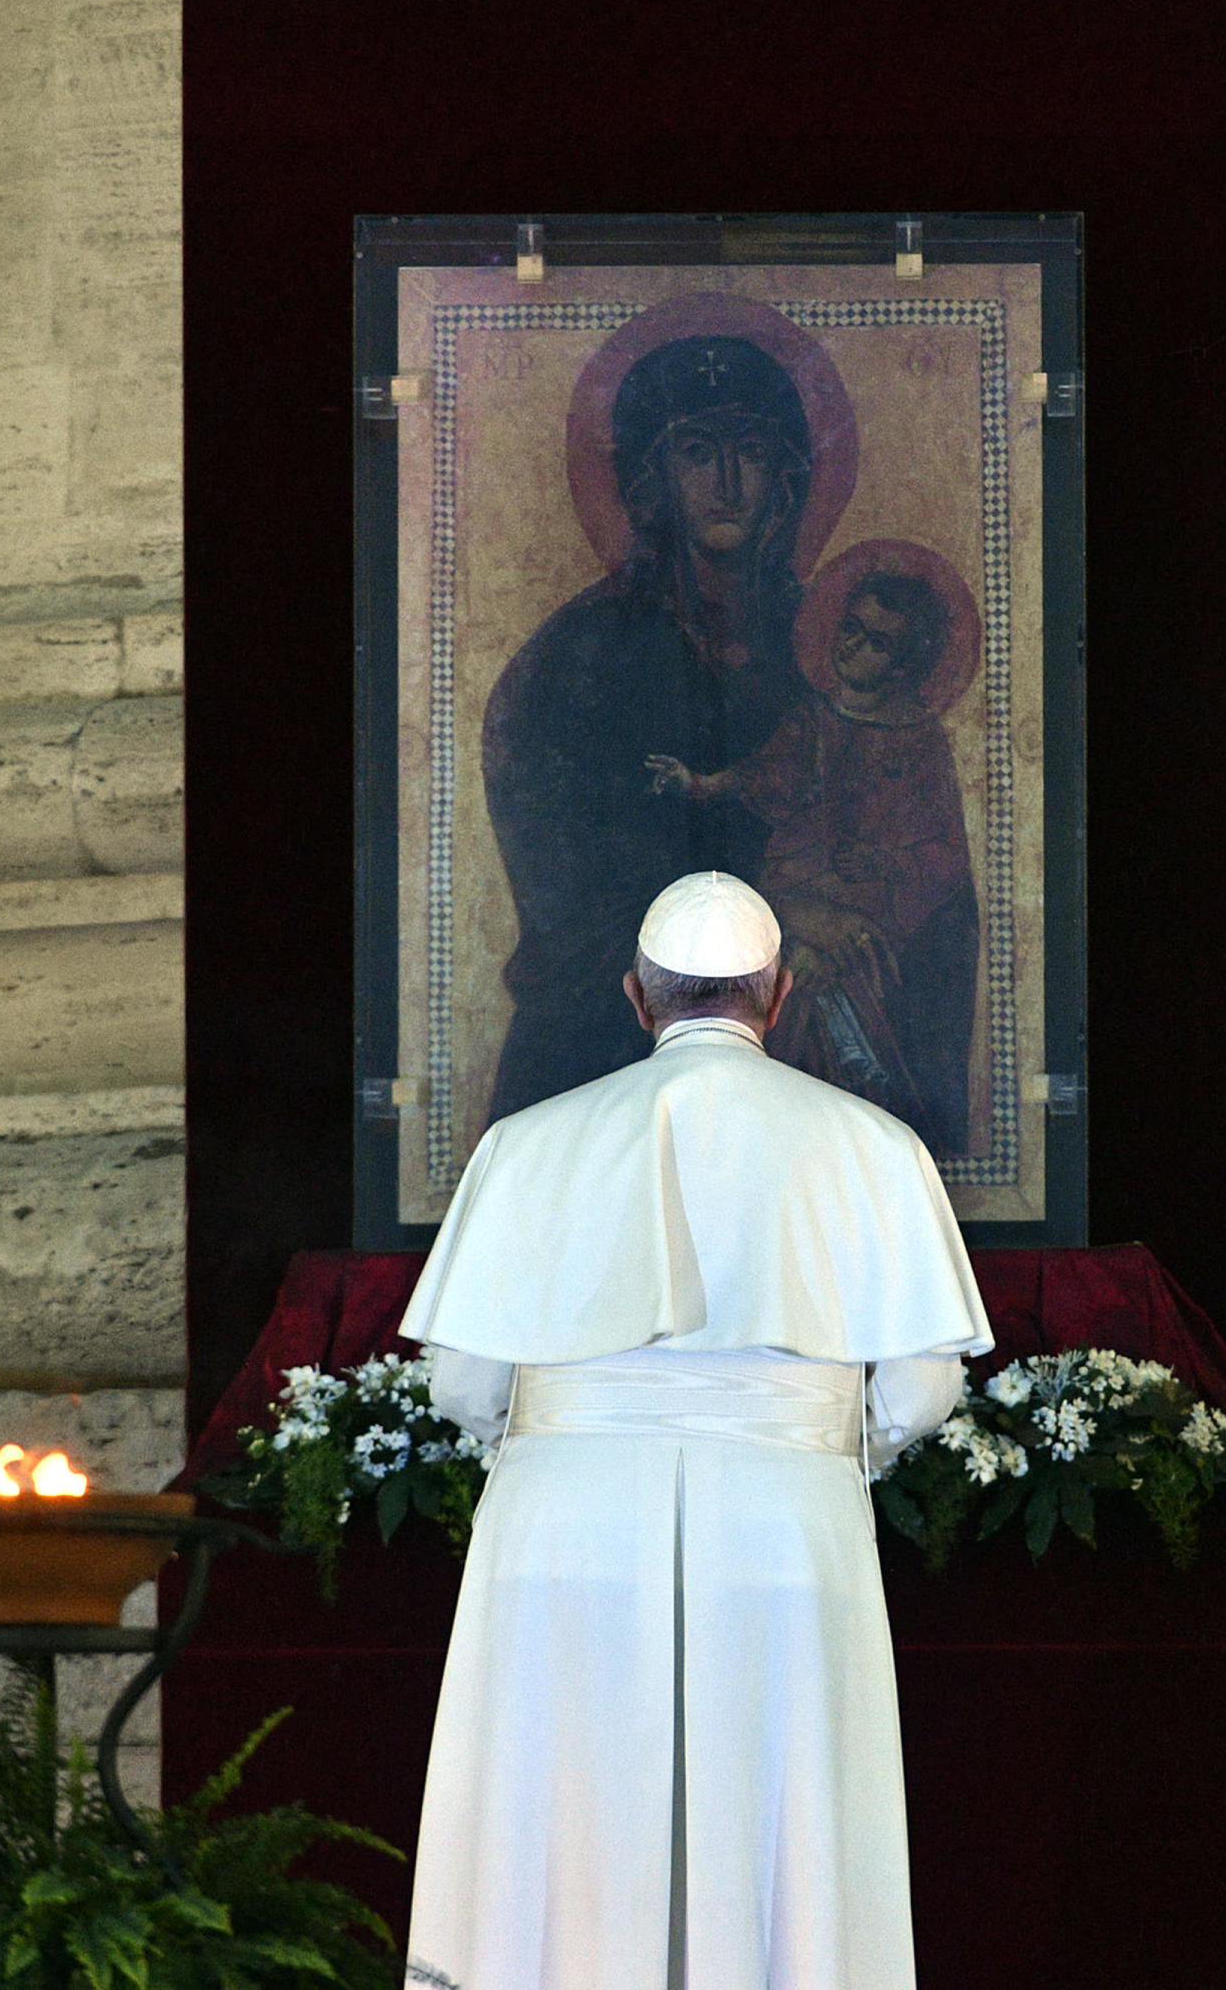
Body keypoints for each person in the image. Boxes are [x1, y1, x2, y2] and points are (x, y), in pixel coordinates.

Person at [398, 871, 992, 1990]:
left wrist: (563, 1442)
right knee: (785, 1815)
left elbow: (465, 1382)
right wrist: (820, 1442)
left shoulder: (525, 1144)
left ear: (636, 996)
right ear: (777, 992)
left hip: (563, 1527)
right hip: (787, 1525)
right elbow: (917, 1391)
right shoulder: (874, 1146)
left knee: (561, 1810)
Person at [481, 335, 816, 1121]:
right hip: (609, 1041)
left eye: (752, 453)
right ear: (653, 482)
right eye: (698, 454)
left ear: (787, 480)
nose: (728, 483)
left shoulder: (830, 641)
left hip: (788, 1027)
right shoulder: (577, 655)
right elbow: (564, 887)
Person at [644, 570, 977, 1152]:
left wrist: (880, 861)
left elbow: (945, 856)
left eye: (876, 641)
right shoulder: (812, 719)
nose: (851, 645)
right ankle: (777, 1136)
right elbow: (766, 775)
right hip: (794, 894)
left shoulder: (921, 741)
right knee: (793, 970)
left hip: (874, 912)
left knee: (827, 976)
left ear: (904, 665)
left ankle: (845, 1131)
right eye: (851, 628)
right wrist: (698, 784)